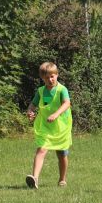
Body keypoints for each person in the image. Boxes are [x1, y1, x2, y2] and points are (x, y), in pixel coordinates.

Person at [26, 61, 72, 189]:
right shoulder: (41, 91)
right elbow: (33, 104)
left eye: (52, 76)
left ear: (57, 75)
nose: (50, 79)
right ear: (42, 78)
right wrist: (30, 111)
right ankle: (34, 178)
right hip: (46, 126)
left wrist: (56, 114)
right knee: (41, 149)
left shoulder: (62, 90)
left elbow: (67, 103)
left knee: (61, 154)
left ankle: (62, 179)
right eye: (47, 77)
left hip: (61, 128)